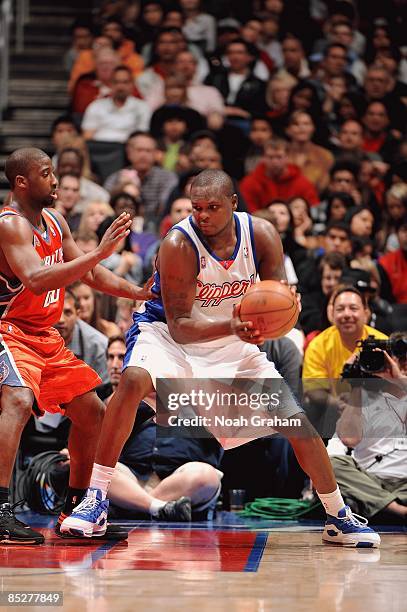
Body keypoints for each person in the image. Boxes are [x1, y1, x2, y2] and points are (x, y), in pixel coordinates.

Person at [62, 168, 380, 548]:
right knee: (132, 380)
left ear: (233, 203)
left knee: (298, 422)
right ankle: (94, 500)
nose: (203, 215)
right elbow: (180, 325)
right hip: (168, 335)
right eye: (197, 208)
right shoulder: (178, 243)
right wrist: (236, 324)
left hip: (233, 338)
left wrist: (281, 313)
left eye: (213, 207)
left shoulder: (260, 234)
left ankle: (337, 515)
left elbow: (275, 301)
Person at [0, 147, 150, 544]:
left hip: (44, 336)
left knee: (93, 413)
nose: (55, 181)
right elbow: (36, 279)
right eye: (47, 174)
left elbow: (91, 272)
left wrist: (136, 290)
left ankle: (76, 507)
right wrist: (99, 251)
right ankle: (0, 510)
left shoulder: (54, 219)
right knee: (17, 402)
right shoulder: (10, 225)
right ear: (22, 182)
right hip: (7, 329)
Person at [81, 65, 151, 143]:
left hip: (129, 149)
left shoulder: (142, 107)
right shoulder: (96, 106)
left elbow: (142, 136)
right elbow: (87, 136)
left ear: (132, 84)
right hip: (99, 150)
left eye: (125, 82)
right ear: (110, 84)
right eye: (116, 82)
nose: (120, 86)